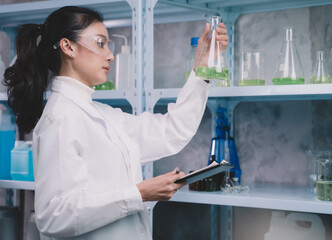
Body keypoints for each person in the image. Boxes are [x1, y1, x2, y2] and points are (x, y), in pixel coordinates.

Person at [4, 6, 229, 240]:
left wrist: (203, 67)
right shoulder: (60, 119)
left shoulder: (102, 115)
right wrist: (138, 194)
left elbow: (171, 131)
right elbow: (53, 216)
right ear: (68, 47)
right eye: (101, 43)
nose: (110, 55)